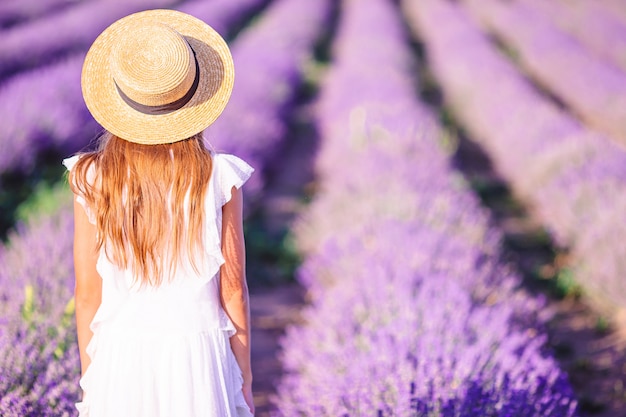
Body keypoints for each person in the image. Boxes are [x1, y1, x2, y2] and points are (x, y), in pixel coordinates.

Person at [63, 9, 254, 416]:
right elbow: (233, 290)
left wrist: (91, 377)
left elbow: (86, 294)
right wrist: (243, 380)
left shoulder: (92, 176)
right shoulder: (218, 175)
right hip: (198, 358)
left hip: (121, 354)